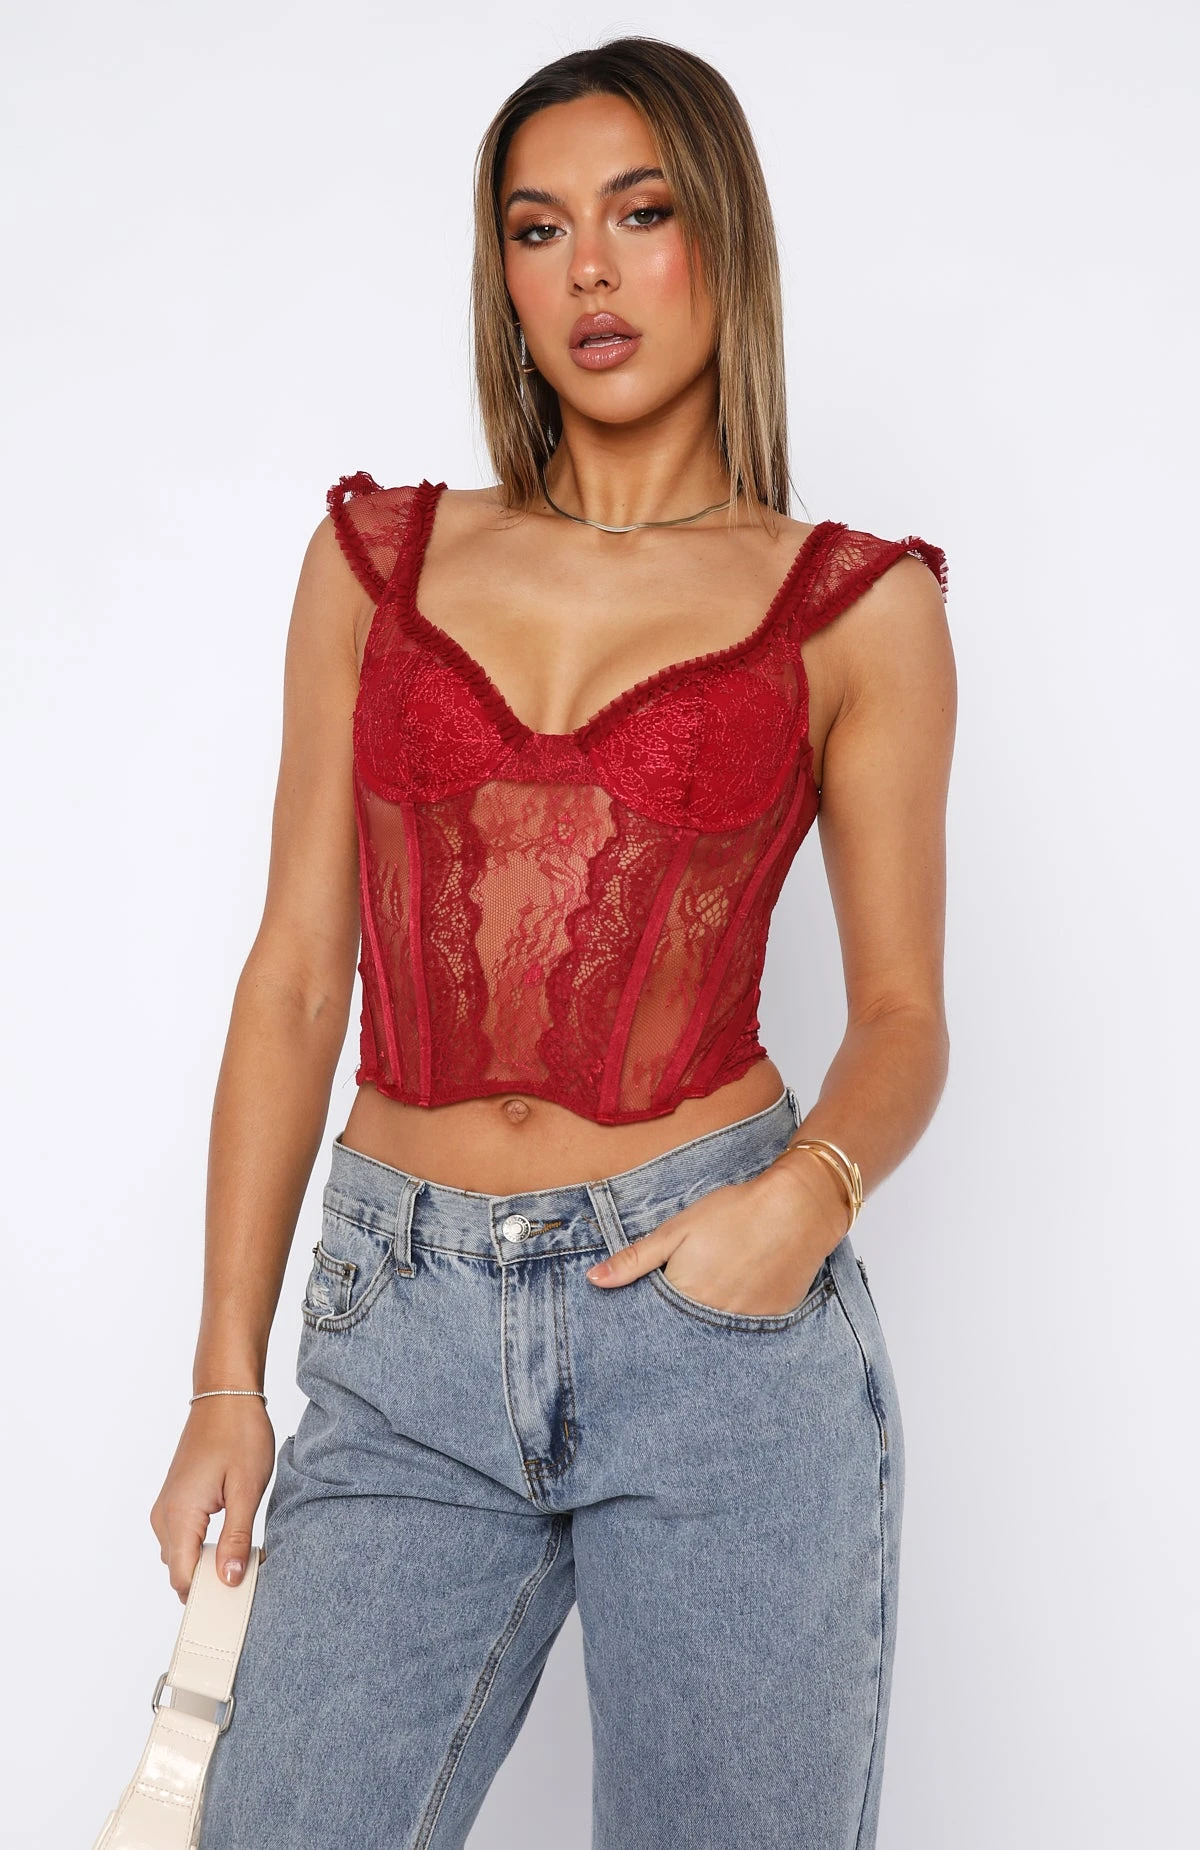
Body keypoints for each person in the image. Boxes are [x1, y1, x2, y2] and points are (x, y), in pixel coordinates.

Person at [150, 34, 955, 1850]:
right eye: (537, 228)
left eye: (639, 214)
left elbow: (905, 1015)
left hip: (714, 1318)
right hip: (400, 1322)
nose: (589, 268)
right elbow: (298, 974)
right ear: (501, 275)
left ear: (722, 241)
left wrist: (804, 1200)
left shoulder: (860, 607)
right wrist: (224, 1375)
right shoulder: (375, 563)